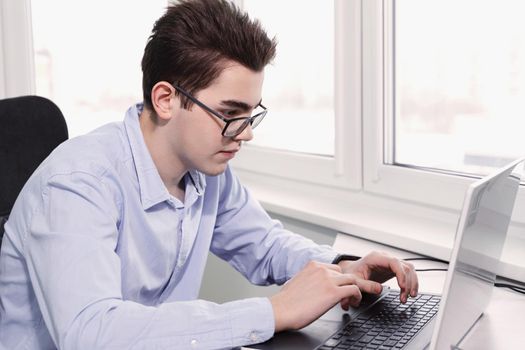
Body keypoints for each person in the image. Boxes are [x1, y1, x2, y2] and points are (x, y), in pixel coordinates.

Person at [0, 0, 418, 349]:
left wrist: (341, 267)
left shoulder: (206, 168)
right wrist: (272, 311)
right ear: (165, 99)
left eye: (251, 114)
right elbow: (91, 333)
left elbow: (264, 244)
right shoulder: (78, 183)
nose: (246, 132)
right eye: (230, 114)